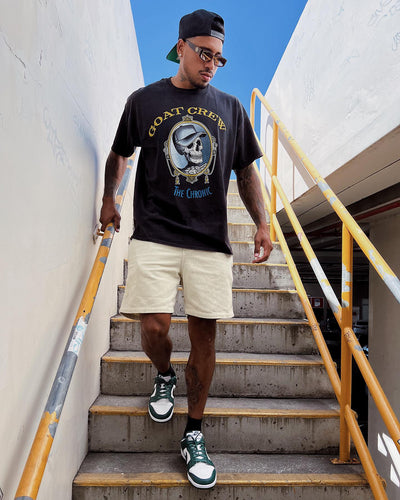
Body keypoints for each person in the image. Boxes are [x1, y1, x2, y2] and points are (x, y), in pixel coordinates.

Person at [99, 9, 273, 490]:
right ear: (180, 48)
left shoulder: (231, 108)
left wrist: (262, 223)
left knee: (205, 339)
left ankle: (193, 432)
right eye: (204, 53)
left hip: (209, 241)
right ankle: (163, 374)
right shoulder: (144, 101)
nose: (211, 64)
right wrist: (109, 200)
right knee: (153, 326)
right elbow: (120, 153)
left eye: (219, 57)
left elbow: (246, 171)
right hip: (154, 233)